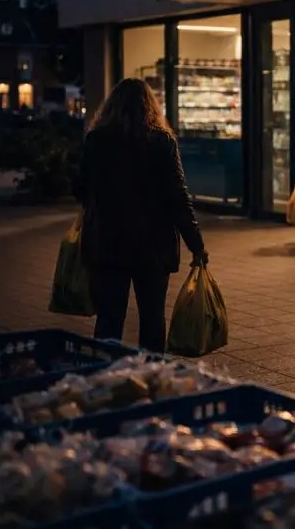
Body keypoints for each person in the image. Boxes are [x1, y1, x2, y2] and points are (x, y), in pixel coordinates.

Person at [74, 78, 208, 352]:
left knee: (109, 318)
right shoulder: (161, 141)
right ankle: (152, 376)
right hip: (153, 246)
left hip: (108, 242)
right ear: (151, 106)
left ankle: (105, 376)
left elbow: (80, 188)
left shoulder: (96, 140)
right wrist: (196, 245)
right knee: (152, 319)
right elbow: (178, 197)